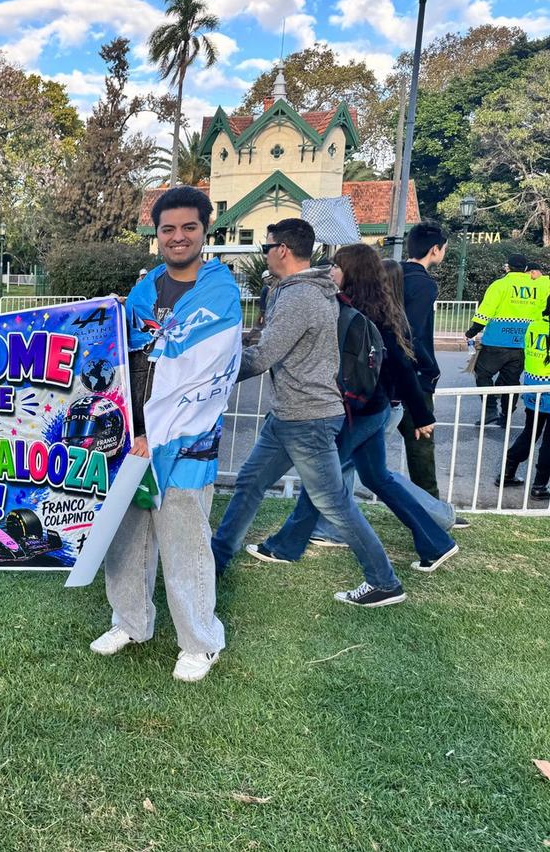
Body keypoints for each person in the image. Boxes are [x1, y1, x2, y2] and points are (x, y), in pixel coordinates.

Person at [211, 219, 407, 607]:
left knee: (334, 503)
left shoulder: (300, 297)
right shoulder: (306, 290)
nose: (264, 254)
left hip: (308, 420)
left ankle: (384, 581)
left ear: (282, 250)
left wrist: (208, 375)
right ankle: (215, 560)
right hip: (290, 415)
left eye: (266, 247)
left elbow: (264, 357)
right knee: (250, 483)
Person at [89, 186, 241, 683]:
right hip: (129, 439)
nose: (178, 237)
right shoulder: (143, 290)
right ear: (156, 236)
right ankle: (131, 622)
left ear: (205, 231)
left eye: (188, 228)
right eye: (168, 229)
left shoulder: (220, 293)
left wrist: (155, 434)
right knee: (126, 539)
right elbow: (119, 354)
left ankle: (200, 641)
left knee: (185, 544)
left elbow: (202, 376)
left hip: (184, 442)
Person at [245, 244, 459, 574]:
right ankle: (436, 542)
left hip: (359, 413)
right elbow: (401, 365)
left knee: (323, 482)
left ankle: (285, 546)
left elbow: (403, 366)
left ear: (351, 272)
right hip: (372, 410)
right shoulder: (373, 308)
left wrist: (422, 415)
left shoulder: (362, 314)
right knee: (378, 479)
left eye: (336, 266)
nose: (330, 271)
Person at [399, 222, 447, 496]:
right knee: (421, 444)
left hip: (382, 374)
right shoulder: (423, 284)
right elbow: (412, 335)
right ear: (434, 250)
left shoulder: (390, 275)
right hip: (412, 377)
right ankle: (433, 511)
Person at [467, 254, 542, 428]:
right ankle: (506, 416)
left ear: (508, 267)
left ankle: (491, 409)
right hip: (522, 343)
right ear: (525, 269)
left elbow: (485, 312)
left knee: (483, 373)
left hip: (497, 341)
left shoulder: (500, 285)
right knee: (512, 382)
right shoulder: (536, 288)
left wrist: (472, 332)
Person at [494, 294, 550, 498]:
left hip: (533, 386)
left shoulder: (534, 326)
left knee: (530, 431)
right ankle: (540, 485)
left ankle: (507, 473)